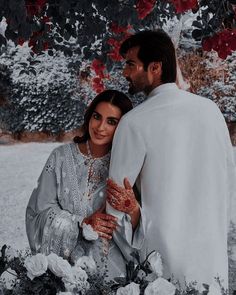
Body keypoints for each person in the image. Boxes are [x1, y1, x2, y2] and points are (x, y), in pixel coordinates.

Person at [106, 30, 236, 288]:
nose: (125, 73)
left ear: (155, 67)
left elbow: (116, 205)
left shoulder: (134, 123)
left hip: (160, 269)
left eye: (131, 64)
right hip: (211, 263)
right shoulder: (211, 111)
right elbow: (229, 182)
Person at [25, 89, 134, 279]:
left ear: (123, 126)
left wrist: (133, 210)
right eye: (97, 117)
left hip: (111, 272)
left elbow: (138, 224)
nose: (100, 127)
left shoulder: (125, 165)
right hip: (63, 270)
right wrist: (82, 223)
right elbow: (39, 212)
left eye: (111, 122)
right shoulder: (60, 157)